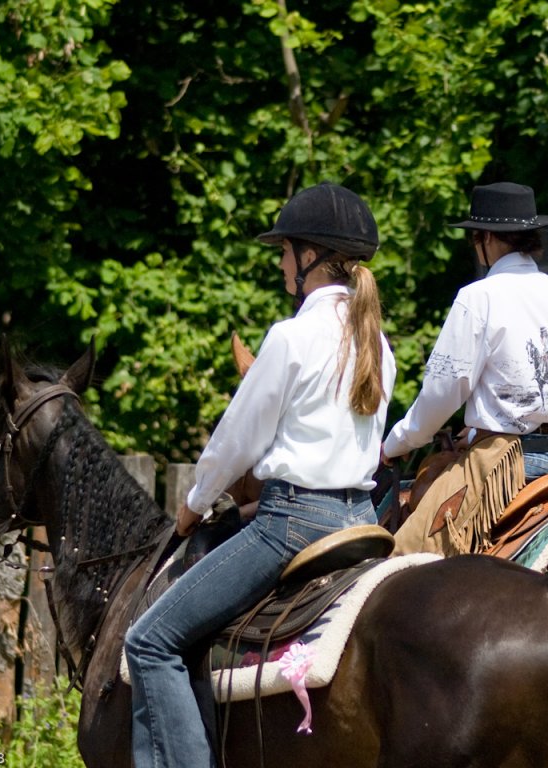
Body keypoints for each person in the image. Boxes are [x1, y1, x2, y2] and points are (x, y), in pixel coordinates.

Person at [124, 182, 396, 768]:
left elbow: (236, 437)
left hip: (292, 525)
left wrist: (194, 502)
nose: (279, 263)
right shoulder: (378, 342)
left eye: (284, 251)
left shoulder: (291, 336)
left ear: (310, 259)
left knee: (149, 641)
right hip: (363, 521)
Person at [382, 181, 548, 555]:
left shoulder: (478, 297)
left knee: (403, 557)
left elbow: (444, 392)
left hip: (507, 464)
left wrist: (397, 443)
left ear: (487, 238)